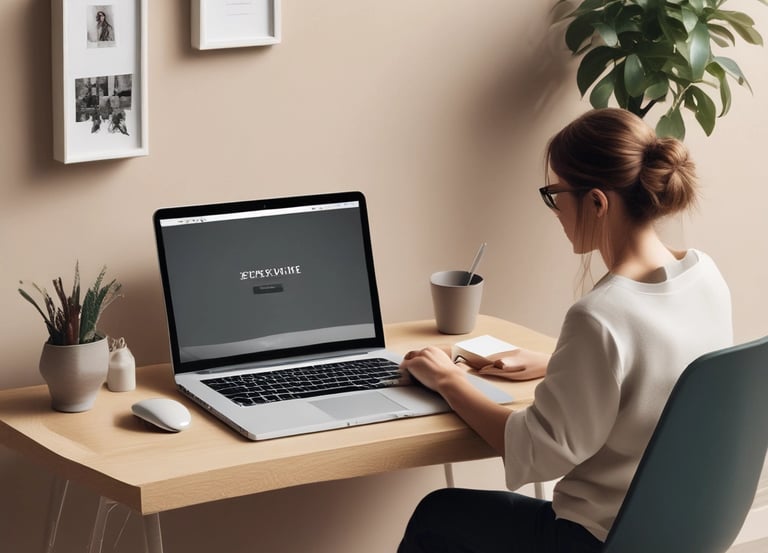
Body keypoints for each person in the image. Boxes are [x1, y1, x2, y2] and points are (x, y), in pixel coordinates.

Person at [397, 108, 733, 553]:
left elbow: (536, 451)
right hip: (679, 531)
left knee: (437, 514)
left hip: (597, 539)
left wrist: (447, 378)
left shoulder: (600, 315)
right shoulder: (703, 273)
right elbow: (664, 367)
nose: (555, 211)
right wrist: (559, 362)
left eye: (556, 194)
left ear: (596, 202)